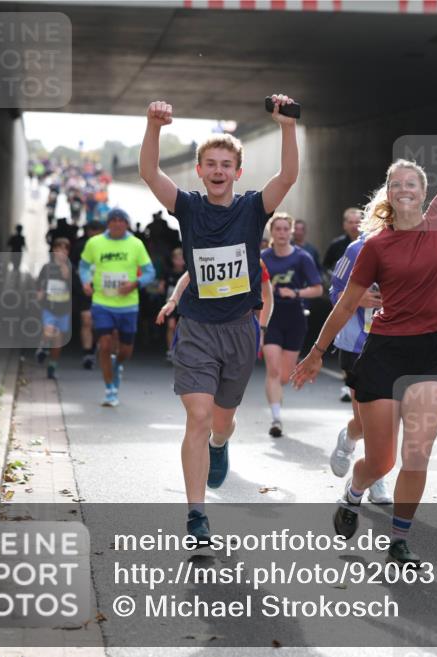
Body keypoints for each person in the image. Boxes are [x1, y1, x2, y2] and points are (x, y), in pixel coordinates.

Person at [292, 81, 437, 566]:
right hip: (381, 353)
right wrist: (317, 351)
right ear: (390, 194)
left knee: (418, 455)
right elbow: (345, 306)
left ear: (425, 194)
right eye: (398, 184)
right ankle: (354, 491)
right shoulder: (376, 246)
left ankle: (399, 539)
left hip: (428, 352)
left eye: (414, 184)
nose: (407, 190)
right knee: (380, 460)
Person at [141, 95, 298, 544]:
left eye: (225, 164)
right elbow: (150, 173)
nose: (217, 170)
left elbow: (288, 176)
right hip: (196, 329)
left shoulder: (252, 209)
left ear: (237, 172)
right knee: (198, 413)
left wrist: (286, 126)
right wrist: (153, 126)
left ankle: (220, 444)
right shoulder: (188, 207)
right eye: (209, 163)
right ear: (199, 169)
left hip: (239, 330)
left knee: (221, 421)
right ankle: (196, 516)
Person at [327, 235, 393, 504]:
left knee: (385, 423)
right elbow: (334, 293)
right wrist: (359, 298)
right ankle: (350, 439)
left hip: (395, 346)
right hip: (358, 346)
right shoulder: (357, 249)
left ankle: (376, 476)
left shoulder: (414, 246)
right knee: (367, 423)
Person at [78, 207, 156, 407]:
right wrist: (86, 281)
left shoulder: (136, 244)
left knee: (126, 350)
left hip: (128, 305)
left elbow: (150, 272)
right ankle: (110, 390)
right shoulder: (95, 243)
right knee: (104, 343)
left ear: (127, 224)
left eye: (121, 220)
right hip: (102, 302)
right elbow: (84, 266)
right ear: (108, 223)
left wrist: (135, 283)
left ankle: (117, 363)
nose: (117, 224)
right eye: (113, 220)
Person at [261, 212, 323, 437]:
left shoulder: (302, 257)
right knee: (273, 370)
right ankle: (276, 418)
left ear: (292, 231)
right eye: (277, 229)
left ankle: (278, 399)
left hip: (295, 318)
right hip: (271, 319)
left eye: (285, 229)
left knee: (285, 376)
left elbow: (318, 289)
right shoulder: (263, 258)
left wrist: (295, 292)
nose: (282, 233)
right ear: (271, 232)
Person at [35, 237, 73, 379]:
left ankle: (52, 365)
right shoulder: (47, 267)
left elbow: (74, 288)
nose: (62, 251)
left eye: (65, 249)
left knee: (58, 341)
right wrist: (39, 293)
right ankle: (43, 347)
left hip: (63, 309)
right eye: (59, 248)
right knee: (49, 330)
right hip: (49, 307)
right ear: (54, 251)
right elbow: (39, 282)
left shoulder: (70, 268)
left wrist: (67, 275)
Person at [71, 220, 105, 369]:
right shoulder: (79, 245)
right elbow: (72, 265)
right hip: (84, 289)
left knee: (99, 323)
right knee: (86, 320)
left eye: (97, 230)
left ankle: (97, 347)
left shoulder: (107, 245)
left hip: (103, 290)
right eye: (92, 230)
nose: (94, 233)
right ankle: (87, 353)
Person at [160, 248, 187, 362]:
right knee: (171, 326)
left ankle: (182, 350)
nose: (179, 261)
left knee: (183, 327)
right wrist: (161, 286)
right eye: (177, 259)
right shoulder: (167, 273)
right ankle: (171, 350)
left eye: (182, 259)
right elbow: (161, 287)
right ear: (172, 260)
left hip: (184, 305)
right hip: (171, 304)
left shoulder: (187, 273)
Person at [322, 207, 362, 274]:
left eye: (357, 222)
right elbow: (325, 267)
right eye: (350, 222)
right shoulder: (336, 245)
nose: (354, 226)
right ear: (344, 225)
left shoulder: (368, 244)